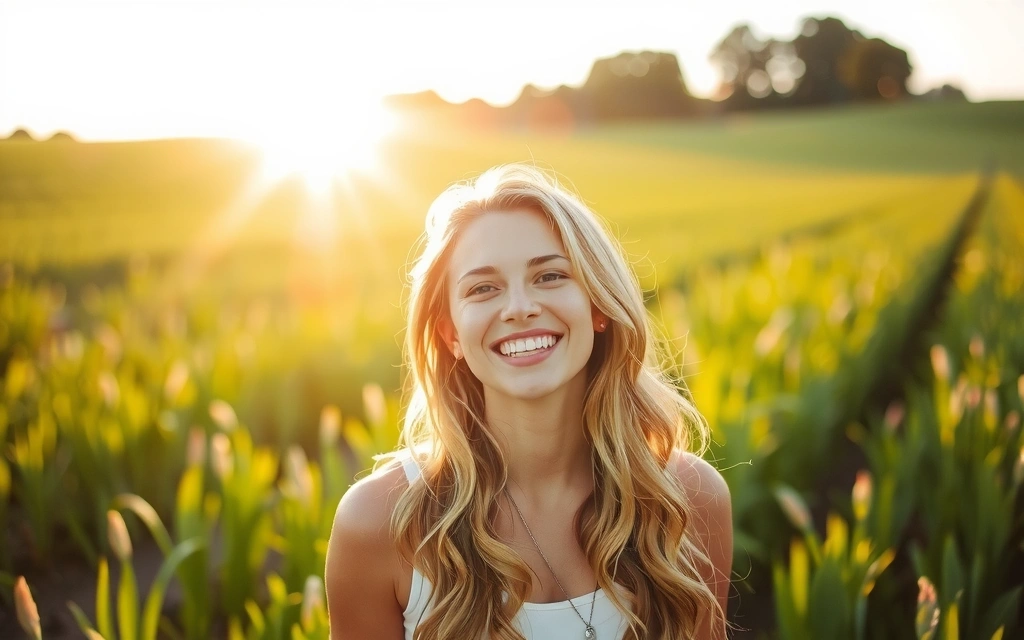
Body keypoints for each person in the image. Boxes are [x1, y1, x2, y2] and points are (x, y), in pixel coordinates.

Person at [325, 164, 732, 639]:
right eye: (483, 288)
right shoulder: (377, 522)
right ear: (451, 333)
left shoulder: (688, 499)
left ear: (598, 306)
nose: (519, 308)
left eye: (550, 276)